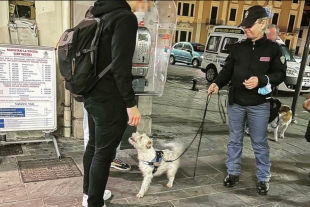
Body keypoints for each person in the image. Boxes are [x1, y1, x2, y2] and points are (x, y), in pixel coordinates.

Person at [207, 5, 287, 195]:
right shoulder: (238, 48)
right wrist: (217, 83)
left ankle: (263, 178)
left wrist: (261, 80)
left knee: (259, 142)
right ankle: (232, 172)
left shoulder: (274, 49)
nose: (246, 29)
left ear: (262, 23)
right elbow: (227, 70)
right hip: (236, 102)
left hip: (259, 104)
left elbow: (280, 74)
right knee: (235, 140)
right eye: (245, 25)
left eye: (250, 25)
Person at [82, 1, 141, 207]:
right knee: (104, 153)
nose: (146, 3)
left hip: (91, 91)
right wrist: (130, 103)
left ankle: (89, 194)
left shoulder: (96, 13)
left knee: (93, 146)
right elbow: (120, 66)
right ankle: (94, 203)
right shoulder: (125, 18)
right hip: (109, 97)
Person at [244, 23, 280, 136]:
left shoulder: (276, 49)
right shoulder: (255, 46)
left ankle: (254, 127)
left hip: (266, 87)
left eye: (273, 34)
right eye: (269, 33)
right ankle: (247, 126)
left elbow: (279, 71)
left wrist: (269, 80)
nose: (271, 36)